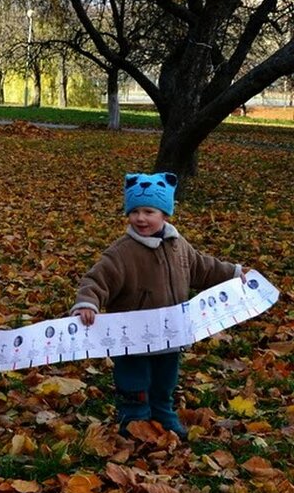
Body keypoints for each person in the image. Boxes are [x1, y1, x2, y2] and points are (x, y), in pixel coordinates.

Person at [70, 172, 246, 439]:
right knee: (133, 378)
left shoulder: (178, 245)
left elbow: (201, 267)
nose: (141, 218)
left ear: (165, 214)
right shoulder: (122, 252)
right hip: (132, 335)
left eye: (149, 211)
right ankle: (134, 417)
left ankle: (163, 412)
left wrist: (232, 272)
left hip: (172, 332)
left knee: (166, 377)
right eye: (135, 211)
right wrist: (88, 302)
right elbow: (97, 279)